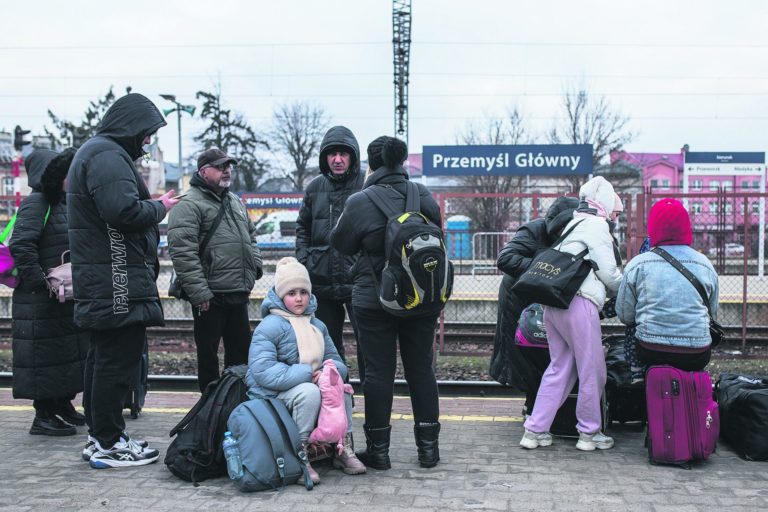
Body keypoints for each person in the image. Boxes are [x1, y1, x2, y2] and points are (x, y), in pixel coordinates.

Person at [67, 92, 180, 468]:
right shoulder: (107, 155)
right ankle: (109, 442)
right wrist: (160, 208)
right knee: (118, 359)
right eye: (146, 133)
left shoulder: (99, 153)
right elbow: (123, 211)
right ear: (131, 126)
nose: (147, 142)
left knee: (104, 358)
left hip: (109, 276)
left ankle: (103, 437)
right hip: (116, 278)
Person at [330, 136, 441, 470]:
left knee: (378, 373)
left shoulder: (361, 200)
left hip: (375, 297)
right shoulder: (422, 195)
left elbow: (341, 243)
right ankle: (428, 451)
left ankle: (378, 452)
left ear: (371, 163)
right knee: (422, 369)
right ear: (402, 161)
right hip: (421, 296)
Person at [520, 176, 623, 452]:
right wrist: (626, 285)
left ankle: (534, 430)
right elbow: (609, 273)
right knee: (592, 370)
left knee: (559, 368)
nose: (616, 216)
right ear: (604, 202)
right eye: (615, 209)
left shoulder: (574, 222)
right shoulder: (597, 226)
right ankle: (589, 433)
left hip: (554, 303)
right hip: (580, 303)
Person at [245, 257, 366, 485]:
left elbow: (336, 360)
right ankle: (298, 456)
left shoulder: (316, 325)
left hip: (305, 383)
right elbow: (263, 371)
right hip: (270, 391)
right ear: (281, 296)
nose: (299, 298)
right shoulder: (270, 326)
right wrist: (306, 374)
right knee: (309, 393)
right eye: (291, 293)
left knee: (343, 389)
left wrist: (329, 372)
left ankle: (342, 448)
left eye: (304, 292)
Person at [168, 147, 263, 392]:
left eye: (228, 166)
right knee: (208, 358)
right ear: (203, 171)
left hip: (237, 291)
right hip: (210, 297)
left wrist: (256, 267)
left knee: (241, 356)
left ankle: (235, 405)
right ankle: (209, 410)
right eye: (220, 167)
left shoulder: (233, 201)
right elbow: (183, 253)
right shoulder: (188, 204)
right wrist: (200, 294)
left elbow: (251, 237)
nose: (227, 171)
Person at [10, 148, 89, 436]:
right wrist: (40, 283)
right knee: (44, 357)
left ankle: (62, 404)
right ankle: (43, 415)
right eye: (64, 171)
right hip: (40, 299)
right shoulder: (36, 203)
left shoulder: (60, 202)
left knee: (65, 353)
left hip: (60, 296)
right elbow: (22, 245)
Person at [490, 196, 580, 416]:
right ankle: (534, 407)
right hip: (519, 300)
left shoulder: (578, 234)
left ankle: (542, 408)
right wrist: (546, 269)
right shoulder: (533, 230)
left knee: (549, 354)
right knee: (526, 354)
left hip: (546, 300)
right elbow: (506, 258)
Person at [616, 198, 718, 380]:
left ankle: (637, 377)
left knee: (633, 326)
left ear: (653, 228)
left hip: (651, 349)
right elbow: (713, 312)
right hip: (697, 353)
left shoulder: (638, 264)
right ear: (687, 228)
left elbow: (625, 315)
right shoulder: (705, 265)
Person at [296, 126, 364, 380]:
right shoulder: (315, 188)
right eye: (332, 154)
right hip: (322, 280)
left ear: (352, 157)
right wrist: (305, 260)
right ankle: (338, 394)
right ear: (325, 158)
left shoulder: (365, 186)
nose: (337, 159)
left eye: (343, 154)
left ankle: (371, 396)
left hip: (357, 280)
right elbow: (302, 227)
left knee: (367, 343)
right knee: (328, 346)